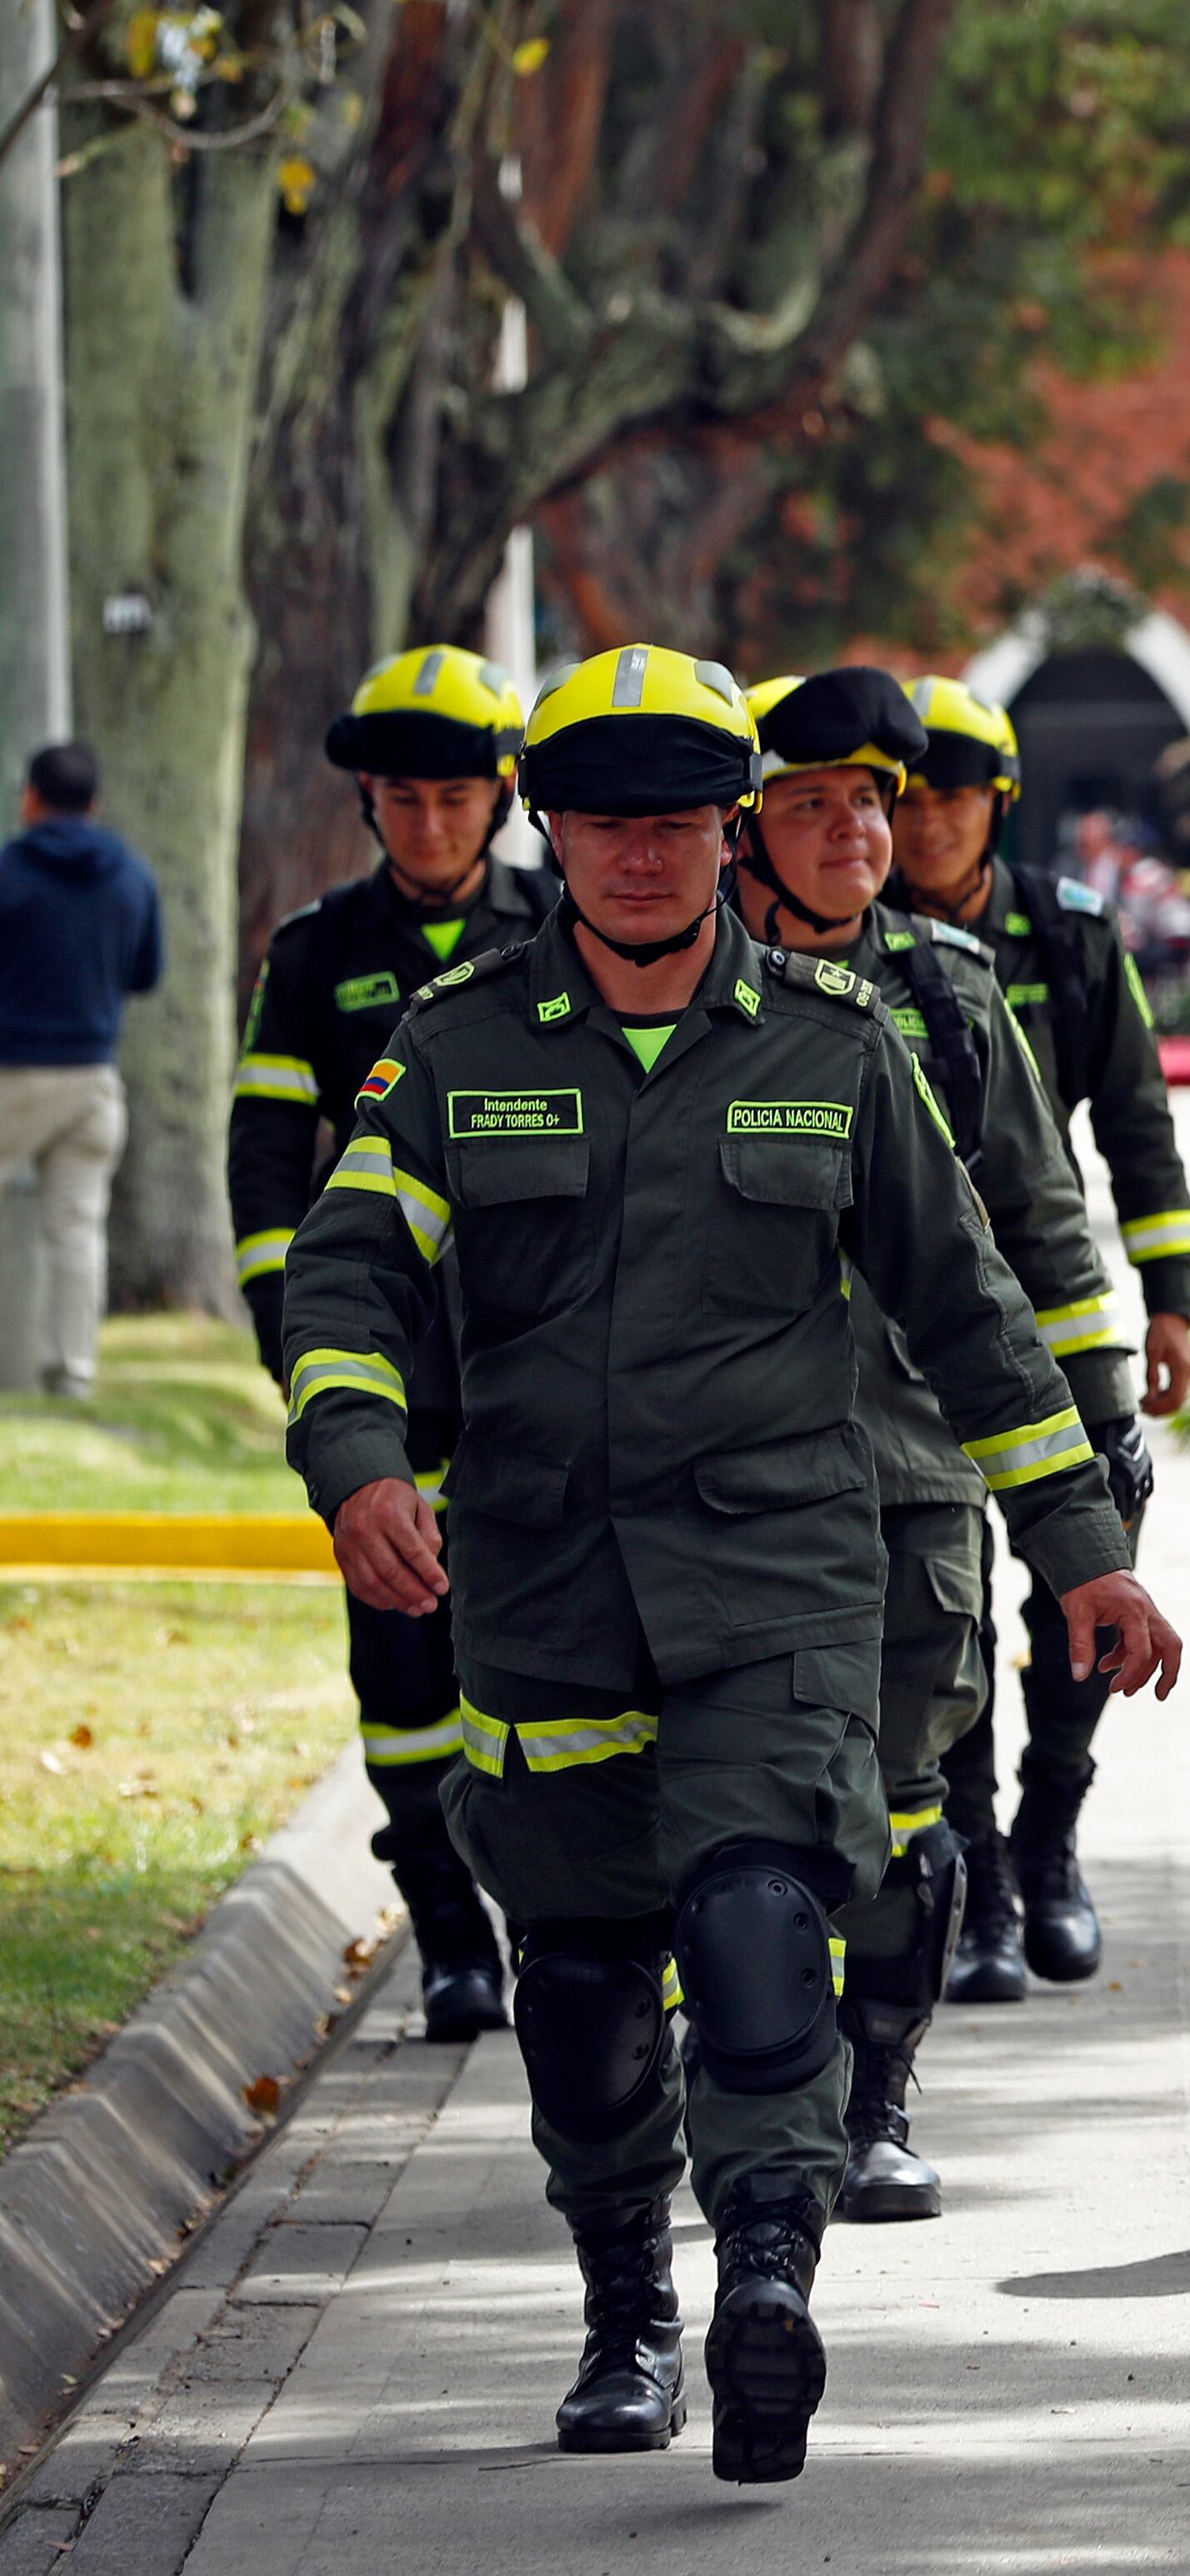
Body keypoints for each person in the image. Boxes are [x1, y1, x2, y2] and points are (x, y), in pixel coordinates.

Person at [280, 643, 1181, 2483]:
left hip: (779, 1581)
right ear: (553, 829)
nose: (643, 854)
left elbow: (976, 1311)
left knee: (765, 1915)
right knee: (587, 1981)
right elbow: (349, 1271)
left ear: (724, 831)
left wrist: (1084, 1547)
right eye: (606, 821)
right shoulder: (455, 1048)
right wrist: (360, 1464)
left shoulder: (835, 1050)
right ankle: (628, 2307)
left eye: (680, 820)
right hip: (542, 1590)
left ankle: (771, 2271)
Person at [733, 669, 1147, 2223]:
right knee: (741, 1803)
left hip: (916, 1469)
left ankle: (876, 2101)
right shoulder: (688, 994)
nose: (856, 830)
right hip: (721, 1484)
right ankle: (746, 2090)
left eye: (873, 801)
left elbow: (1039, 1230)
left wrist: (1098, 1431)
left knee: (907, 1806)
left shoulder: (957, 995)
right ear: (744, 830)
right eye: (811, 803)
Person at [227, 648, 558, 2039]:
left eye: (455, 797)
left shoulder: (565, 926)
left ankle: (558, 1923)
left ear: (501, 798)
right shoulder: (315, 954)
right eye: (404, 799)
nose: (429, 823)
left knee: (550, 1658)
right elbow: (265, 1162)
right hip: (390, 1371)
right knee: (407, 1672)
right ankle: (448, 1932)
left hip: (541, 1358)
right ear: (369, 800)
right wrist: (296, 1347)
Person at [885, 678, 1190, 1998]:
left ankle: (1051, 1835)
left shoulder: (1066, 935)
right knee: (942, 1584)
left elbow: (1135, 1117)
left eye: (953, 798)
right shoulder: (850, 944)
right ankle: (980, 1879)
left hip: (1052, 1301)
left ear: (998, 804)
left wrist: (1171, 1293)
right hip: (912, 1325)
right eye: (906, 799)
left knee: (1091, 1540)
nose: (926, 824)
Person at [0, 742, 162, 1400]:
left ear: (32, 798)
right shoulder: (132, 876)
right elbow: (146, 973)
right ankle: (72, 1375)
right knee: (75, 1228)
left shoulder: (9, 871)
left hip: (13, 1074)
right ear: (94, 804)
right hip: (94, 1078)